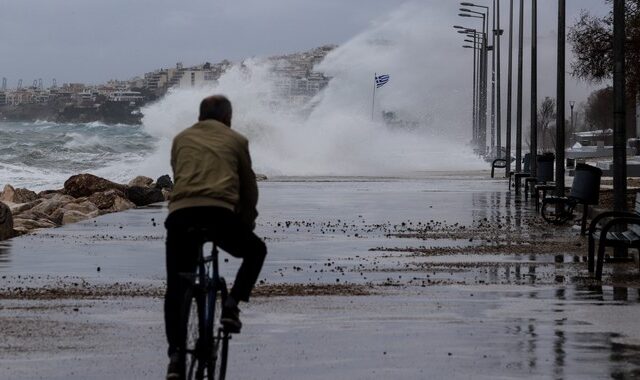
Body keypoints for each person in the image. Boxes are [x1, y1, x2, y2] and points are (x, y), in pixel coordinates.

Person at [164, 95, 267, 379]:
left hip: (181, 217)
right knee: (256, 251)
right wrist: (246, 224)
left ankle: (175, 357)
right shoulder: (236, 140)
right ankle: (232, 306)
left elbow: (179, 175)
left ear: (200, 117)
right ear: (228, 118)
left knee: (176, 287)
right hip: (220, 215)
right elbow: (249, 190)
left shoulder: (180, 138)